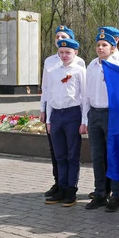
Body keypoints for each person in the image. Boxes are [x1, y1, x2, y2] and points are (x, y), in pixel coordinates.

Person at [82, 33, 119, 213]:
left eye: (104, 45)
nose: (100, 48)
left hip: (113, 114)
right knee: (97, 156)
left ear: (113, 47)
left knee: (114, 155)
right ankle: (100, 193)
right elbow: (86, 93)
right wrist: (85, 118)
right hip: (94, 113)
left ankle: (116, 195)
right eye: (98, 45)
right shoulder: (92, 65)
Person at [40, 25, 86, 198]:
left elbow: (84, 96)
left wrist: (84, 120)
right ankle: (60, 186)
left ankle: (70, 189)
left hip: (72, 113)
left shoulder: (80, 69)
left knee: (72, 154)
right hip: (56, 115)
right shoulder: (52, 70)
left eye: (68, 52)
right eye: (62, 52)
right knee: (59, 155)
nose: (65, 55)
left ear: (74, 52)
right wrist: (48, 117)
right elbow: (49, 93)